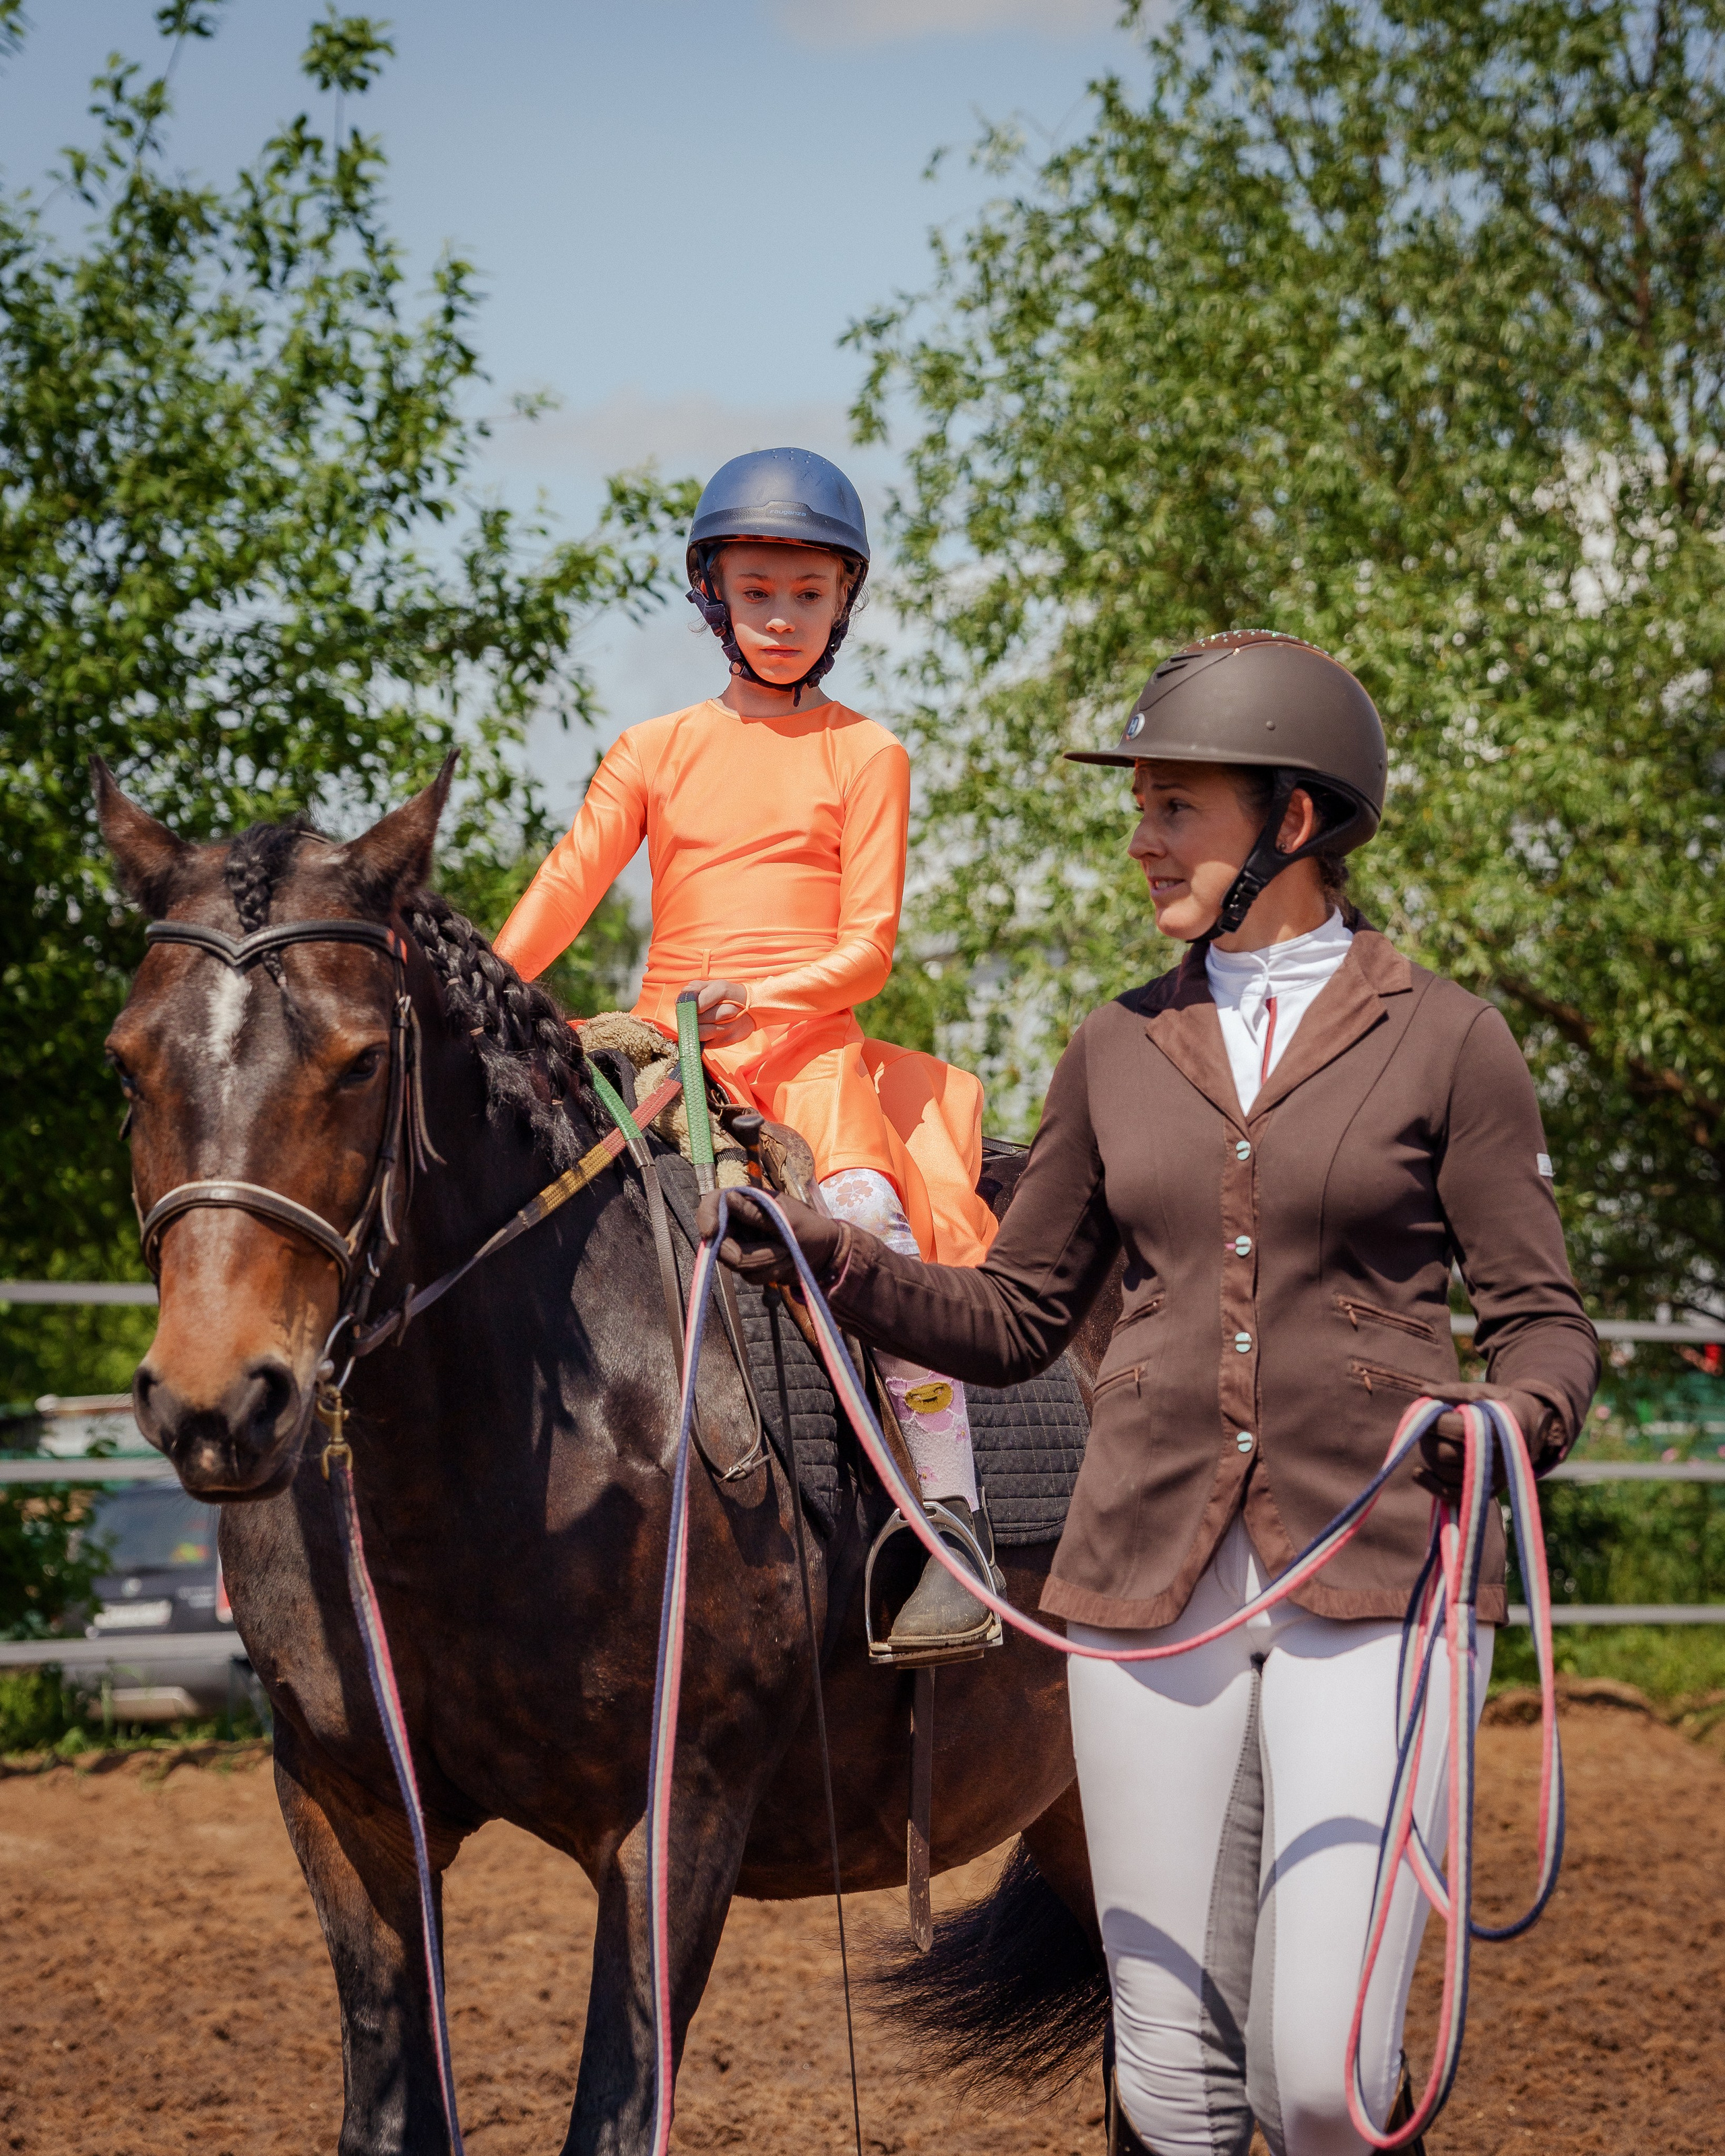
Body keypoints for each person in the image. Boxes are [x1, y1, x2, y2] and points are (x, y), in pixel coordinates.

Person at [697, 630, 1600, 2156]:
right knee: (1166, 2085)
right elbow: (1014, 1311)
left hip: (1373, 1577)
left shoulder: (1451, 1040)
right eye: (1143, 810)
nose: (1140, 840)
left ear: (1290, 823)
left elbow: (1543, 1328)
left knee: (1315, 2078)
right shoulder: (1112, 1045)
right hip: (1140, 1589)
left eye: (1175, 807)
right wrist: (825, 1261)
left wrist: (1513, 1419)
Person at [493, 447, 1002, 1651]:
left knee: (872, 1225)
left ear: (843, 604)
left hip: (811, 1058)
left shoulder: (866, 752)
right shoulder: (653, 748)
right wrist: (489, 994)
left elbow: (870, 948)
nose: (781, 617)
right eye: (758, 590)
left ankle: (948, 1525)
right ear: (711, 594)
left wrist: (757, 997)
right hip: (660, 1060)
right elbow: (568, 884)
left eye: (808, 595)